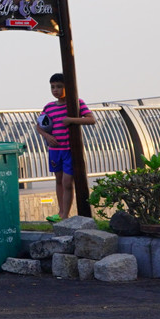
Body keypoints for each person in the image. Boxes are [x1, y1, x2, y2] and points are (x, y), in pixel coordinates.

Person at [37, 72, 96, 221]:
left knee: (67, 182)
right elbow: (38, 126)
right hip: (55, 150)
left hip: (69, 150)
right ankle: (61, 212)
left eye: (59, 87)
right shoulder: (49, 107)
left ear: (67, 87)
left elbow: (91, 120)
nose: (55, 90)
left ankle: (65, 214)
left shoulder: (76, 103)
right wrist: (48, 137)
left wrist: (71, 120)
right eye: (52, 87)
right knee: (58, 180)